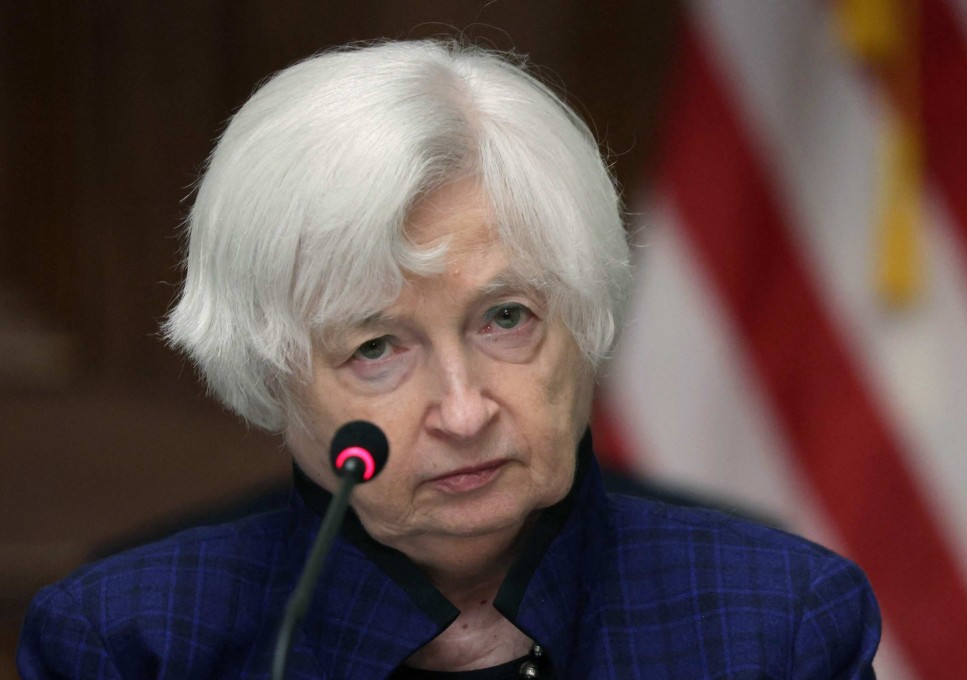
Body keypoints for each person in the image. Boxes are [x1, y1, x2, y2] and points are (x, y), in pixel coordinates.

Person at [17, 40, 880, 679]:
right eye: (377, 348)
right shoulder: (126, 643)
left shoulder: (777, 623)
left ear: (583, 318)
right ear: (272, 375)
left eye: (506, 318)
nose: (464, 412)